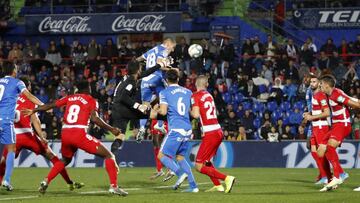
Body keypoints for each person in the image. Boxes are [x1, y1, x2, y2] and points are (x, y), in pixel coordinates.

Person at [23, 81, 128, 196]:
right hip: (79, 133)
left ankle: (45, 181)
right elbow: (95, 119)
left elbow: (51, 105)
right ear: (88, 88)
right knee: (109, 156)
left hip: (65, 133)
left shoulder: (70, 98)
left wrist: (35, 110)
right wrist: (112, 129)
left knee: (65, 160)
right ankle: (114, 186)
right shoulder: (91, 100)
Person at [0, 76, 83, 191]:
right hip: (28, 136)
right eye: (29, 86)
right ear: (27, 86)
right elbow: (35, 120)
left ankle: (3, 181)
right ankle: (69, 182)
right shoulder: (29, 99)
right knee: (53, 157)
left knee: (4, 161)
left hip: (13, 135)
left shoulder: (9, 97)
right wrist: (41, 136)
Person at [151, 69, 199, 192]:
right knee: (180, 157)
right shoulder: (188, 92)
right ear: (178, 79)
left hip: (176, 128)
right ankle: (193, 187)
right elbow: (194, 114)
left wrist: (154, 109)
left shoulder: (164, 93)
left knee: (161, 155)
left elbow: (164, 111)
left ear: (166, 80)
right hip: (188, 129)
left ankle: (179, 173)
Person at [110, 59, 170, 153]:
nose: (142, 70)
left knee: (120, 136)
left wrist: (159, 65)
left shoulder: (129, 77)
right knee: (155, 114)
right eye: (140, 68)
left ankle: (114, 149)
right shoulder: (131, 81)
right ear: (138, 70)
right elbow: (123, 97)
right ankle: (173, 126)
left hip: (116, 110)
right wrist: (138, 106)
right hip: (125, 108)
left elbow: (146, 73)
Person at [0, 63, 44, 191]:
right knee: (11, 149)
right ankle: (6, 180)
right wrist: (43, 105)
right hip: (6, 120)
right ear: (14, 71)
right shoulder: (17, 82)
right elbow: (29, 95)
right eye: (16, 69)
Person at [190, 75, 236, 193]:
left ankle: (227, 178)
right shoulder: (209, 95)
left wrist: (187, 109)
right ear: (206, 85)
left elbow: (195, 115)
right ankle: (218, 185)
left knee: (199, 166)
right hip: (217, 130)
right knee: (208, 161)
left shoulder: (195, 95)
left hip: (210, 132)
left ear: (196, 84)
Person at [318, 75, 360, 192]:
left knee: (330, 147)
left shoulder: (336, 94)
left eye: (321, 84)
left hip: (343, 124)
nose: (320, 86)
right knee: (321, 150)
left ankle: (337, 176)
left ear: (326, 85)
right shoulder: (332, 93)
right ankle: (341, 174)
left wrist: (354, 105)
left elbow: (355, 104)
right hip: (336, 126)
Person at [136, 38, 176, 140]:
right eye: (173, 47)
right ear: (167, 44)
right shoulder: (164, 50)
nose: (173, 50)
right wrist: (171, 68)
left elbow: (139, 59)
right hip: (156, 78)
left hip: (145, 80)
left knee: (145, 105)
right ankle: (159, 124)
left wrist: (135, 66)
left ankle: (141, 128)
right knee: (166, 100)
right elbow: (159, 64)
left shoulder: (151, 50)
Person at [303, 74, 332, 185]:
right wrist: (308, 114)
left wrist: (311, 117)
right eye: (311, 82)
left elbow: (327, 112)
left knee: (322, 152)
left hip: (321, 125)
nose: (312, 84)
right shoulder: (312, 94)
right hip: (314, 125)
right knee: (313, 151)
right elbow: (315, 109)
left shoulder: (321, 95)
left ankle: (331, 176)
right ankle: (324, 175)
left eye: (314, 82)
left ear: (319, 83)